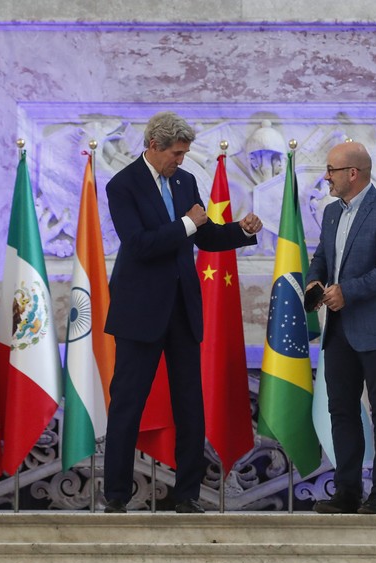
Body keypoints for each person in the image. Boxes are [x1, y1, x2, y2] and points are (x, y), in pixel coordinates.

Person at [102, 112, 262, 514]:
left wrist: (241, 231)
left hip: (182, 310)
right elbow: (138, 244)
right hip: (139, 311)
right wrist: (187, 224)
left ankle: (187, 495)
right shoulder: (122, 185)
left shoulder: (185, 181)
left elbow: (203, 234)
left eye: (185, 153)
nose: (182, 160)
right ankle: (116, 497)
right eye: (176, 153)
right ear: (154, 146)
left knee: (190, 403)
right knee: (127, 404)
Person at [306, 141, 376, 515]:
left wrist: (347, 292)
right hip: (338, 331)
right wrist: (313, 281)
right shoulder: (332, 212)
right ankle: (347, 491)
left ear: (353, 173)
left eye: (331, 170)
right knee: (342, 410)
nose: (326, 177)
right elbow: (322, 256)